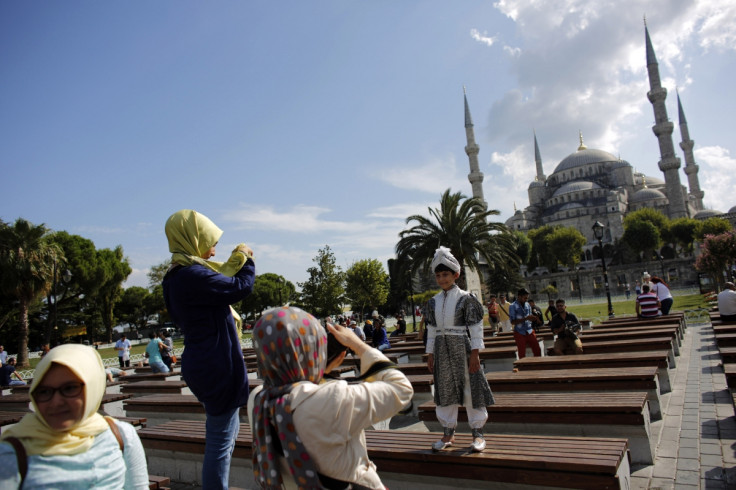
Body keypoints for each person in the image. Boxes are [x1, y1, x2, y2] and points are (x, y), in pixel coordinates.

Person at [248, 306, 413, 489]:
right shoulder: (333, 398)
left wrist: (317, 372)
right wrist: (358, 345)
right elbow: (402, 389)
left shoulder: (258, 399)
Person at [162, 209, 255, 490]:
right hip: (215, 364)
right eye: (211, 243)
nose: (213, 252)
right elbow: (239, 287)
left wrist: (237, 260)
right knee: (220, 443)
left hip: (203, 361)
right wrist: (247, 259)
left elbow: (221, 279)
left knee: (224, 436)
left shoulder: (176, 276)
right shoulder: (192, 276)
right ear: (194, 238)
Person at [0, 344, 148, 489]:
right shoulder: (11, 452)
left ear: (92, 388)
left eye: (70, 388)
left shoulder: (121, 435)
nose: (56, 402)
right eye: (44, 391)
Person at [424, 246, 494, 452]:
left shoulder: (466, 298)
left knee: (471, 388)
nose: (442, 279)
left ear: (456, 274)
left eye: (445, 274)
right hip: (441, 350)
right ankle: (448, 433)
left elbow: (475, 327)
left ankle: (478, 433)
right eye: (438, 275)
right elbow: (431, 329)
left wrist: (475, 353)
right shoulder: (433, 302)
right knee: (444, 389)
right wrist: (430, 354)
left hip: (462, 348)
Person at [509, 289, 542, 359]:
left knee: (537, 350)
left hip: (529, 330)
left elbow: (529, 317)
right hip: (519, 332)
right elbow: (513, 322)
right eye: (525, 298)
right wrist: (526, 318)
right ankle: (523, 367)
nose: (526, 299)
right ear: (519, 297)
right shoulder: (513, 306)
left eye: (527, 298)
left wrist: (534, 318)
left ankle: (538, 365)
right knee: (522, 353)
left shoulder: (527, 305)